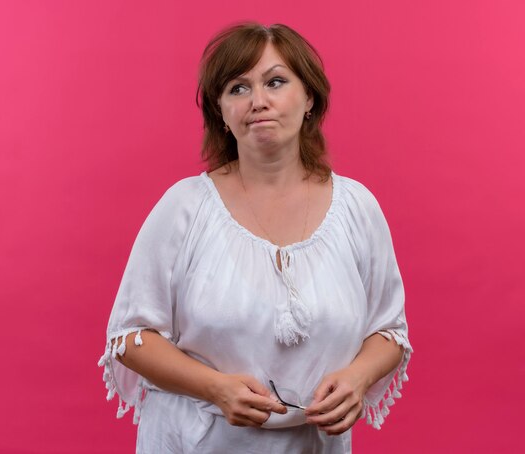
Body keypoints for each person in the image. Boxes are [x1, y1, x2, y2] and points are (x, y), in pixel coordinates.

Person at [98, 22, 412, 453]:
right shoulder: (185, 207)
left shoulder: (357, 207)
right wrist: (215, 388)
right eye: (238, 88)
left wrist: (358, 378)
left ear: (309, 100)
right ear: (222, 114)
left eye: (276, 82)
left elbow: (388, 330)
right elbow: (131, 337)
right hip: (195, 443)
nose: (258, 101)